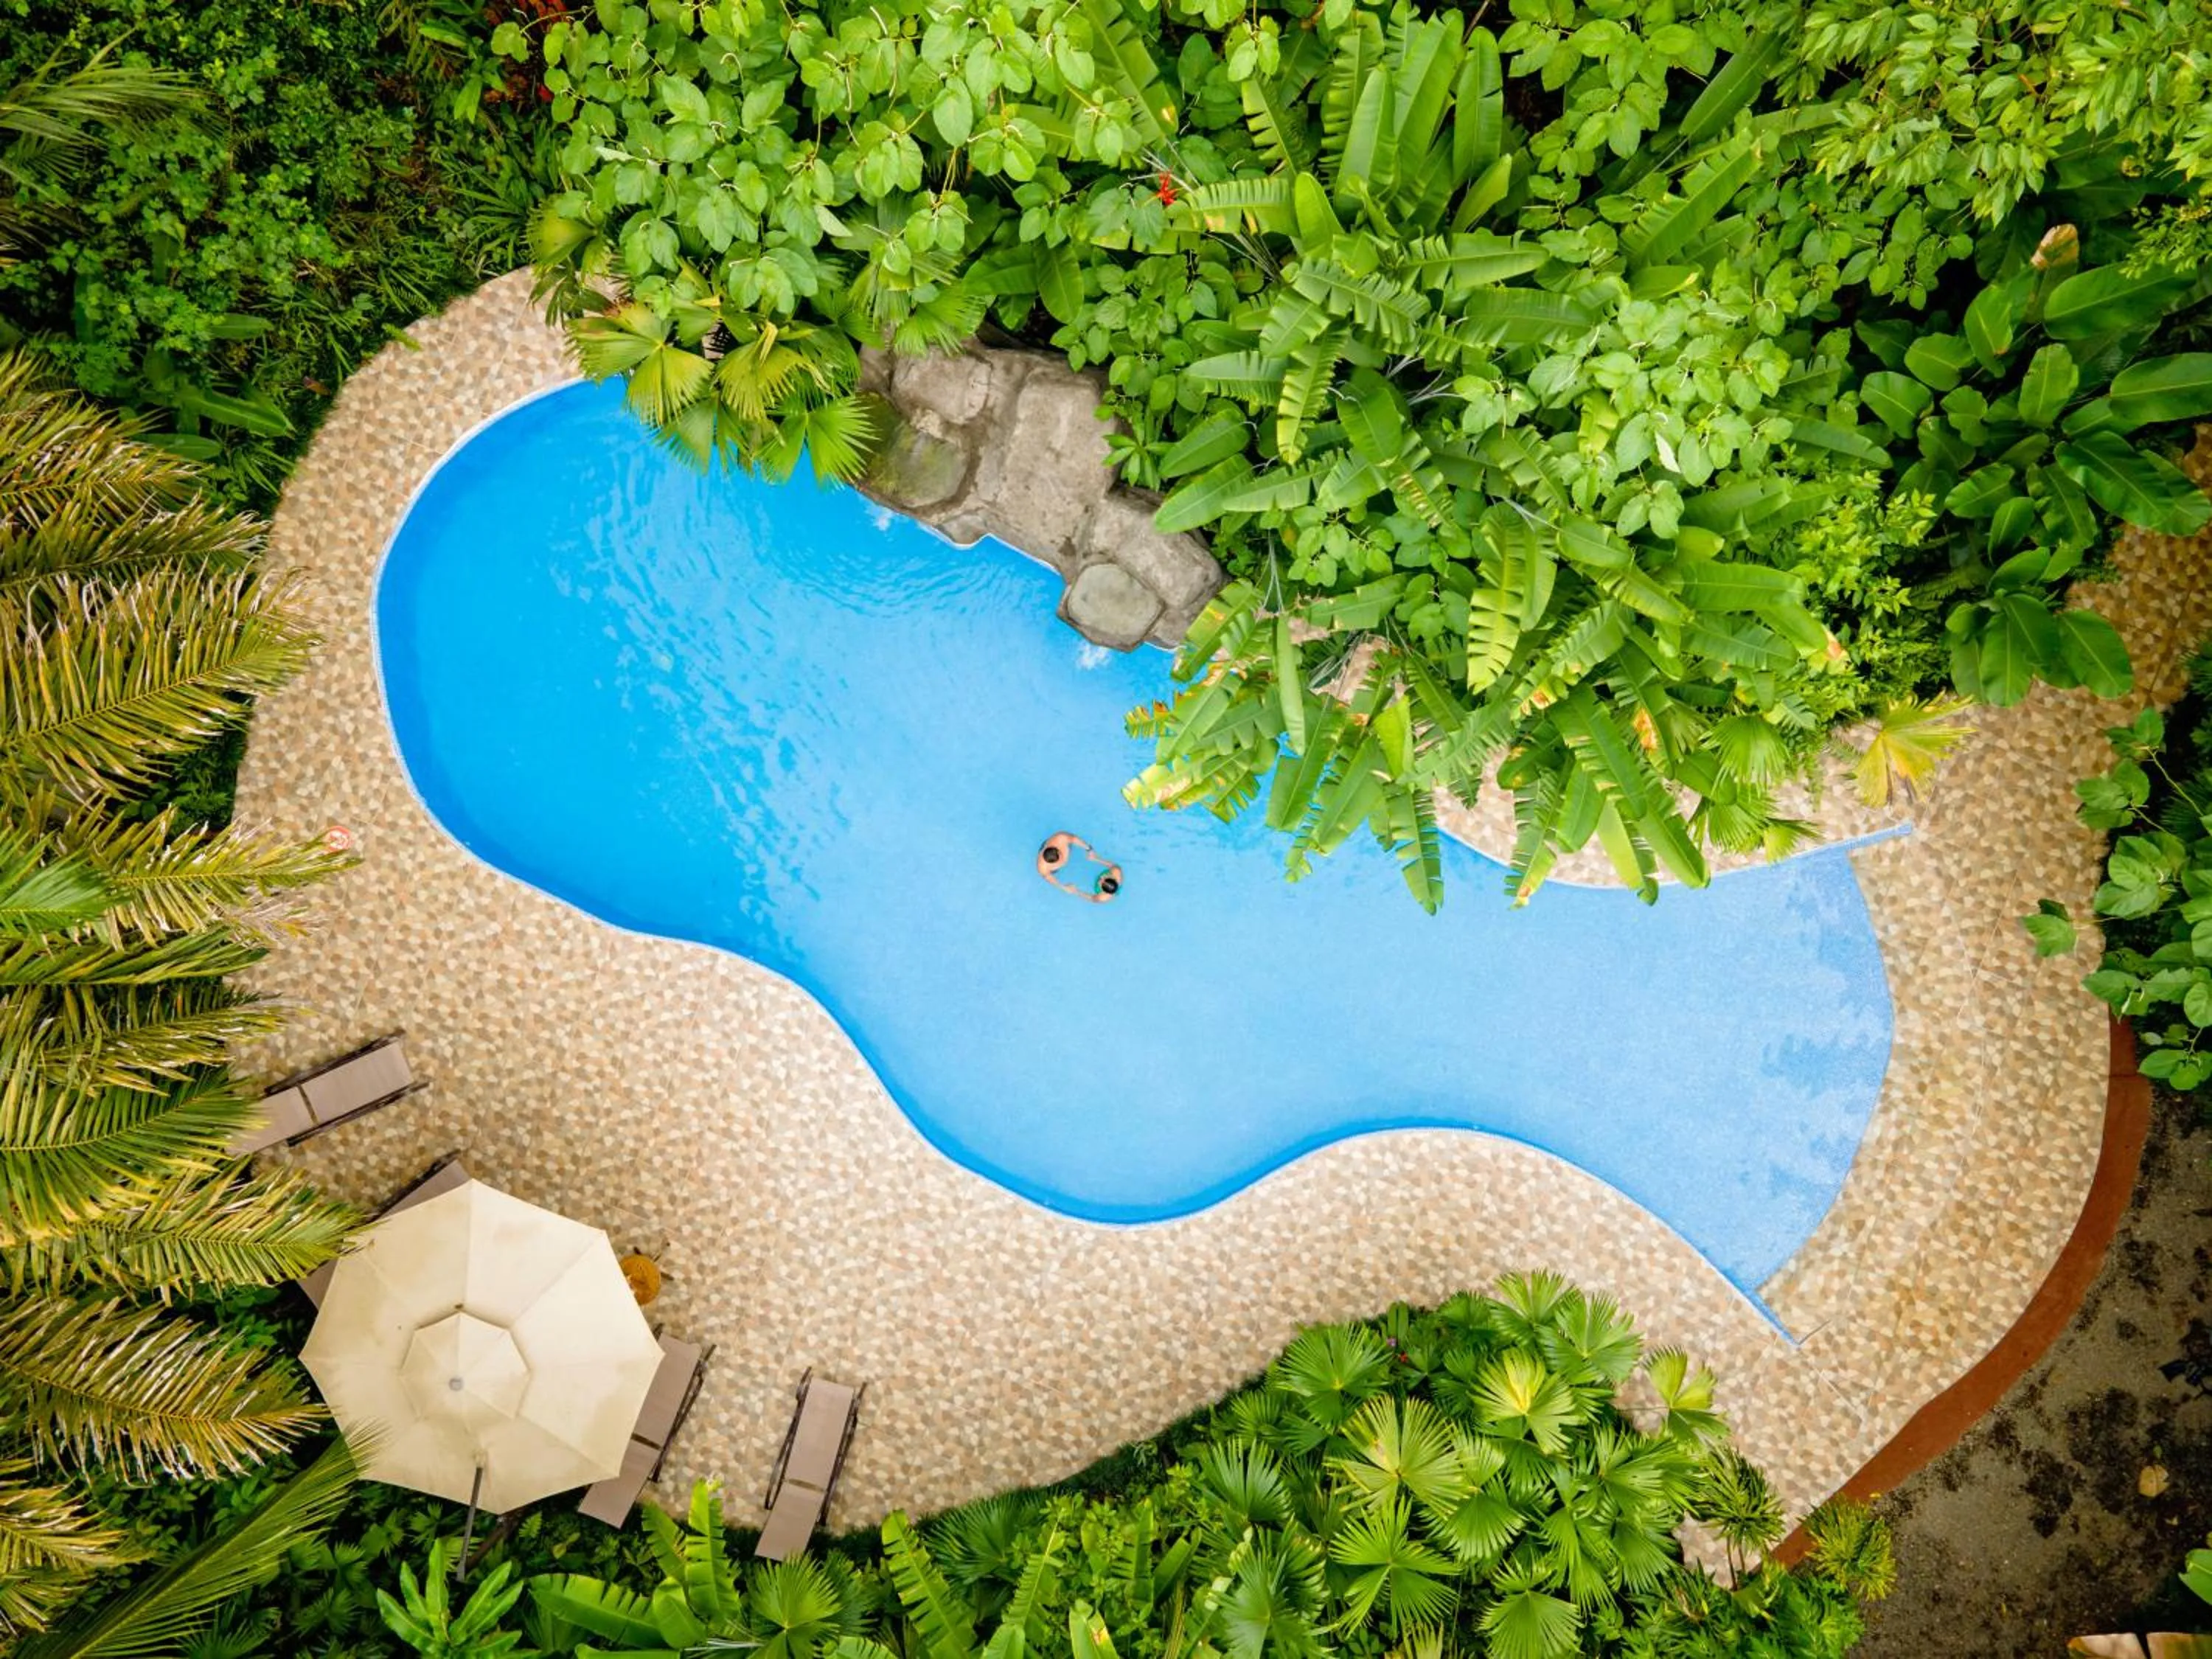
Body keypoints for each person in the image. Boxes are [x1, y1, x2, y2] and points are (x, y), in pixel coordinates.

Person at [1037, 833, 1122, 902]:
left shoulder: (1102, 897)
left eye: (1101, 882)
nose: (1101, 878)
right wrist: (1095, 858)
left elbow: (1092, 898)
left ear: (1102, 890)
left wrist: (1077, 892)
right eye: (1104, 878)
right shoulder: (1116, 871)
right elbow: (1047, 876)